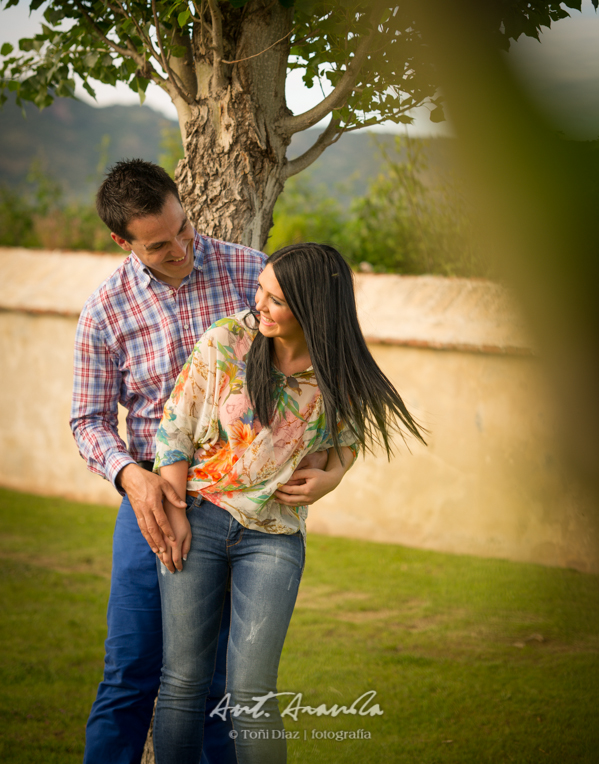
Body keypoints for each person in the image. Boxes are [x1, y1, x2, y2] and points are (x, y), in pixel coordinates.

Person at [70, 160, 326, 764]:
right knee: (130, 672)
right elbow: (87, 421)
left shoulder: (250, 273)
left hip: (239, 507)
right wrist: (133, 479)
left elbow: (321, 361)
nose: (182, 247)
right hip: (152, 504)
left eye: (184, 228)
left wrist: (330, 469)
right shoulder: (105, 310)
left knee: (216, 685)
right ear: (123, 242)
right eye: (160, 245)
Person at [151, 242, 424, 764]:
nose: (260, 306)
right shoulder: (226, 340)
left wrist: (333, 478)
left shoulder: (336, 371)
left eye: (276, 300)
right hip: (199, 518)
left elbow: (347, 440)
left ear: (313, 306)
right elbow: (174, 431)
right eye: (260, 290)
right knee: (183, 679)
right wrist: (177, 513)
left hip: (274, 535)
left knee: (252, 690)